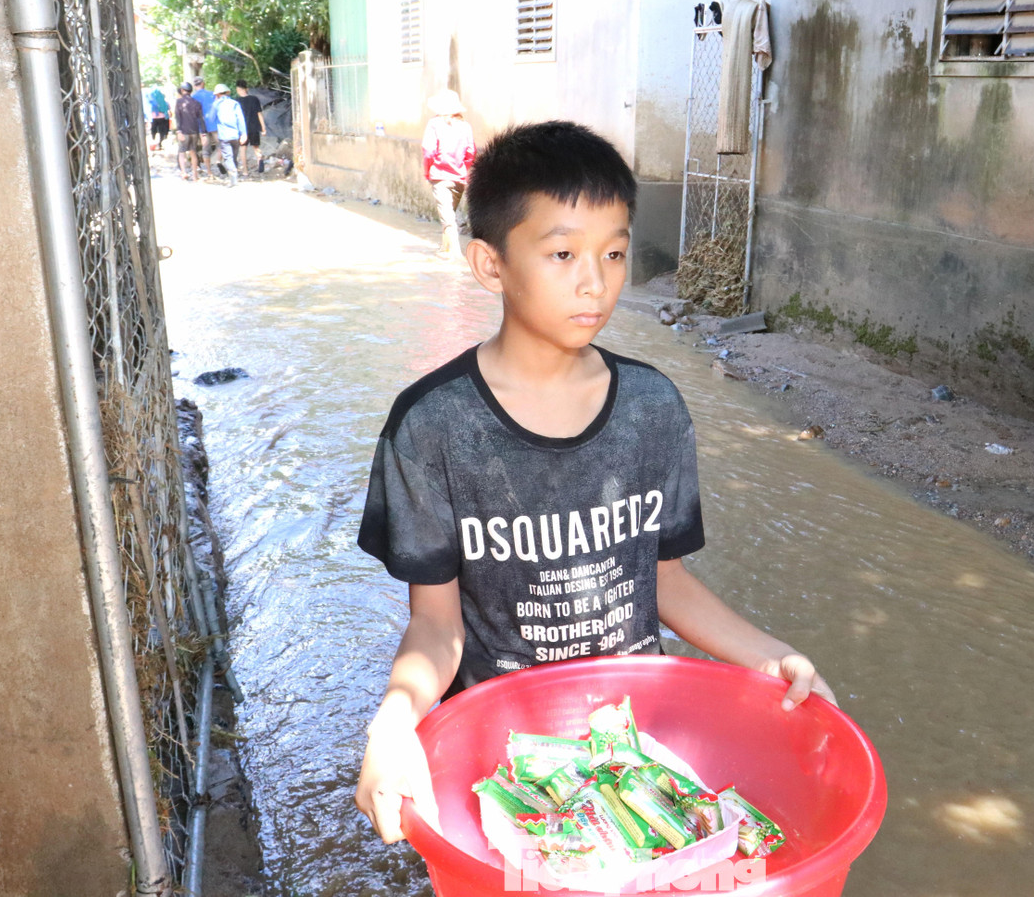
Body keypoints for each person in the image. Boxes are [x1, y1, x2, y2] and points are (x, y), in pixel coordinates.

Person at [353, 121, 835, 843]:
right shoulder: (430, 427)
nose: (596, 279)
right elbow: (436, 623)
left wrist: (772, 656)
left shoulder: (653, 408)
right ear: (491, 264)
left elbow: (663, 580)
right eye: (562, 253)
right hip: (505, 758)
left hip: (635, 745)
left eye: (613, 252)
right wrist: (393, 724)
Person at [420, 89, 476, 258]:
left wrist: (427, 170)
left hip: (440, 176)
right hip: (459, 177)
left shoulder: (434, 124)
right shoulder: (465, 126)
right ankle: (445, 248)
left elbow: (428, 151)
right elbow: (471, 152)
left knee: (447, 216)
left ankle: (454, 252)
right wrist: (463, 169)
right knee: (448, 213)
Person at [211, 84, 247, 188]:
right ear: (227, 92)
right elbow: (241, 119)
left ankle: (233, 177)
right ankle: (234, 175)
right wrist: (244, 133)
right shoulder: (235, 103)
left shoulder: (216, 104)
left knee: (228, 157)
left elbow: (211, 118)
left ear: (217, 94)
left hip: (224, 135)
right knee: (234, 156)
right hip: (235, 135)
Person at [234, 79, 266, 175]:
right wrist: (263, 128)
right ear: (246, 89)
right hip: (254, 127)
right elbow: (259, 114)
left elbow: (235, 117)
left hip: (242, 130)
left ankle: (245, 171)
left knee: (243, 149)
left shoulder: (236, 101)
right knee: (256, 147)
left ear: (237, 89)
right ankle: (259, 160)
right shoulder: (254, 99)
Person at [173, 82, 204, 181]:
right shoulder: (197, 103)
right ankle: (195, 175)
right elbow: (201, 119)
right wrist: (203, 132)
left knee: (182, 152)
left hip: (184, 131)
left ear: (182, 90)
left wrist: (179, 131)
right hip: (194, 131)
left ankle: (184, 172)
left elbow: (178, 117)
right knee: (193, 152)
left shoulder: (179, 102)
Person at [192, 76, 218, 178]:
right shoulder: (212, 94)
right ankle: (221, 161)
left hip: (201, 126)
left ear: (194, 86)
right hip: (214, 124)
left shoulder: (193, 97)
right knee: (222, 144)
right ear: (203, 83)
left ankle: (209, 172)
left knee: (205, 148)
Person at [147, 85, 170, 151]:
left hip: (154, 118)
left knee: (153, 131)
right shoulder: (162, 99)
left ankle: (153, 143)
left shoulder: (151, 99)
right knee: (161, 131)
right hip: (162, 118)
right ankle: (160, 144)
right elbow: (166, 108)